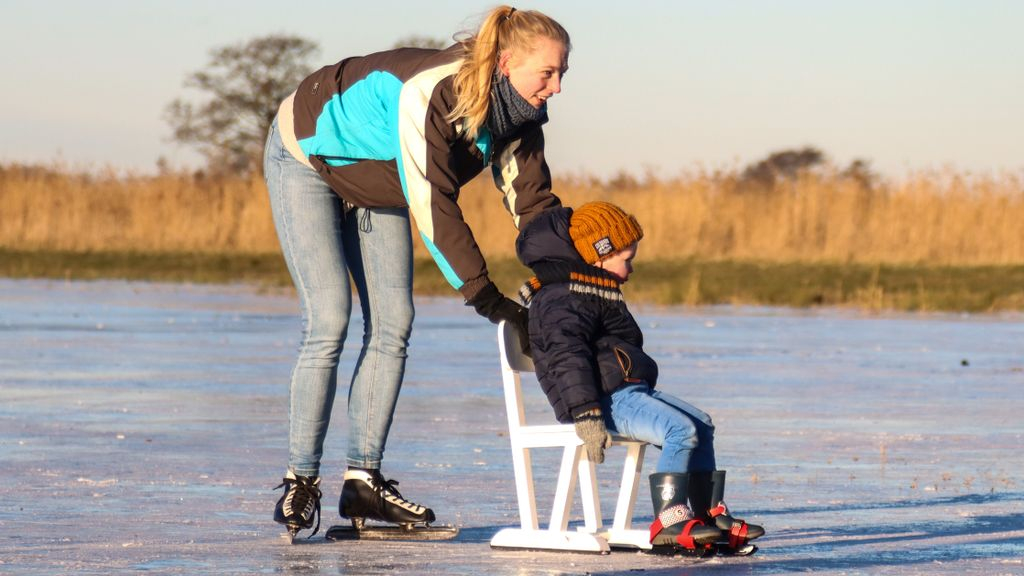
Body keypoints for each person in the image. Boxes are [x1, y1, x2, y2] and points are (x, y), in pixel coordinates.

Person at [264, 5, 570, 539]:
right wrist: (488, 297)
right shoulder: (432, 91)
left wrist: (560, 279)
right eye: (548, 72)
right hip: (309, 154)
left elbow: (533, 203)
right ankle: (300, 480)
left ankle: (363, 478)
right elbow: (434, 201)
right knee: (330, 317)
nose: (557, 87)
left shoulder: (520, 116)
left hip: (380, 178)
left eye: (563, 72)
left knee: (393, 321)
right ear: (505, 63)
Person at [515, 202, 765, 553]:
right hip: (603, 400)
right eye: (626, 258)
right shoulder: (563, 296)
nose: (631, 267)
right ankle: (670, 520)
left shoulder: (590, 290)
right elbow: (565, 355)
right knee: (680, 430)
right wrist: (587, 413)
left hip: (628, 392)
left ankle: (706, 516)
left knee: (702, 424)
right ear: (600, 253)